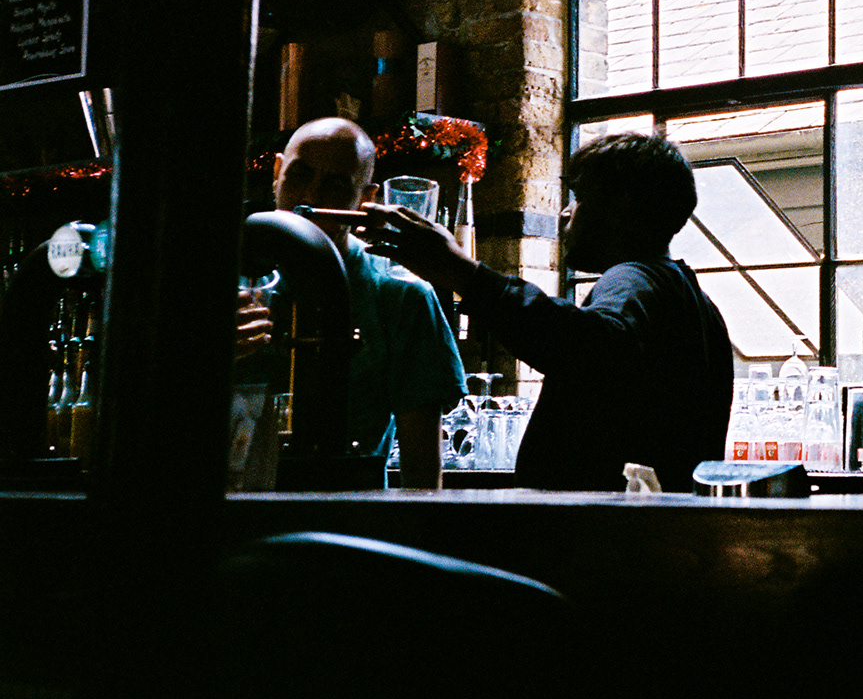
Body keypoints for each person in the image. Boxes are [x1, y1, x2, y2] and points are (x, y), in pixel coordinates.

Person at [367, 131, 732, 491]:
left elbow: (584, 346)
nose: (565, 212)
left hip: (606, 540)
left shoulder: (633, 279)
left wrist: (463, 272)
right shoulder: (698, 306)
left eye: (579, 197)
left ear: (621, 206)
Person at [237, 117, 465, 487]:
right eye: (299, 175)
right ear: (277, 171)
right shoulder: (226, 279)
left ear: (365, 198)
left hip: (350, 517)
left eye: (335, 185)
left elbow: (422, 474)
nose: (310, 197)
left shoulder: (402, 297)